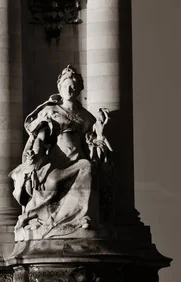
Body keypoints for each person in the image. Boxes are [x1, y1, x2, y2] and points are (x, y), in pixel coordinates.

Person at [9, 65, 111, 238]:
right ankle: (45, 217)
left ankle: (82, 217)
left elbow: (91, 144)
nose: (69, 90)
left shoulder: (87, 117)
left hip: (79, 161)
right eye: (66, 86)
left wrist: (100, 133)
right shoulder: (50, 112)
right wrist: (34, 158)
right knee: (55, 183)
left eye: (73, 86)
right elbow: (40, 139)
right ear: (59, 88)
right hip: (56, 164)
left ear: (79, 89)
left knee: (87, 167)